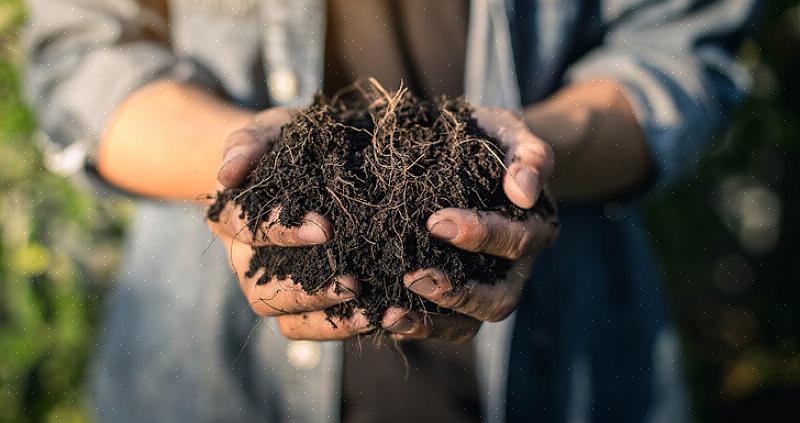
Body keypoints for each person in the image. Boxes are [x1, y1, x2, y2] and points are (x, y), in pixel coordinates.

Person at [23, 0, 758, 421]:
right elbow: (84, 55)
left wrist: (536, 156)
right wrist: (243, 171)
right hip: (215, 382)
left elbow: (678, 50)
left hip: (559, 367)